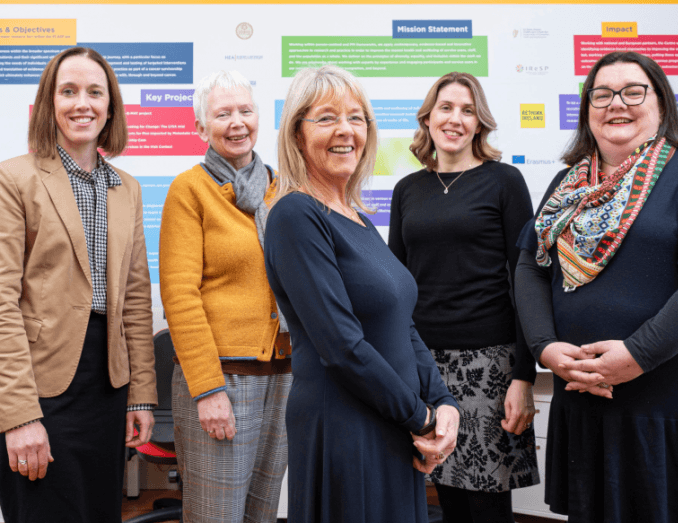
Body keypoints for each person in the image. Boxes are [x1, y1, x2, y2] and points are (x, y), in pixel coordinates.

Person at [515, 51, 678, 522]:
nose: (616, 104)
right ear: (587, 110)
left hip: (667, 407)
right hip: (587, 403)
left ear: (661, 104)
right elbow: (530, 265)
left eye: (633, 91)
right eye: (601, 94)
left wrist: (638, 354)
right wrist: (546, 348)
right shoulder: (567, 184)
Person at [263, 65, 461, 523]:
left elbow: (402, 324)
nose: (345, 130)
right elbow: (341, 346)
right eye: (327, 118)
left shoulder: (359, 218)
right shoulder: (295, 215)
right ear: (297, 134)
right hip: (345, 426)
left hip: (393, 421)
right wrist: (423, 419)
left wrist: (444, 402)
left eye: (356, 118)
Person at [0, 47, 157, 523]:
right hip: (41, 385)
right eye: (68, 91)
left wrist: (142, 393)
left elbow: (134, 298)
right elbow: (2, 302)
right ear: (49, 102)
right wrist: (20, 415)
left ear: (111, 106)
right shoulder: (15, 179)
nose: (81, 103)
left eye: (95, 92)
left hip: (107, 387)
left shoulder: (125, 187)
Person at [389, 72, 540, 523]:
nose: (455, 118)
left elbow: (527, 281)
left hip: (489, 364)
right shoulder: (407, 190)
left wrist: (524, 376)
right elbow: (396, 284)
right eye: (446, 107)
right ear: (428, 118)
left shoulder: (504, 181)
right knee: (442, 497)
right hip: (421, 363)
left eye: (467, 110)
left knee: (486, 504)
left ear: (480, 124)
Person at [159, 70, 292, 523]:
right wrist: (208, 388)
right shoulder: (189, 189)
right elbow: (179, 294)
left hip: (285, 372)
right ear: (201, 128)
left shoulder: (282, 187)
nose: (237, 122)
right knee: (216, 516)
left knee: (262, 512)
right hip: (222, 379)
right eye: (222, 114)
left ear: (259, 118)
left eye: (245, 111)